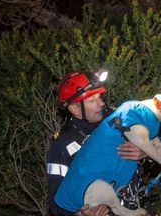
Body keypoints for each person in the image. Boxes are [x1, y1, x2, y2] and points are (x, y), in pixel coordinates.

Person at [46, 70, 145, 216]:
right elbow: (56, 205)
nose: (101, 103)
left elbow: (155, 139)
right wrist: (80, 212)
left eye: (100, 96)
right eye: (92, 100)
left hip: (138, 204)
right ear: (74, 109)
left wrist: (144, 151)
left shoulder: (119, 119)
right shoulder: (62, 147)